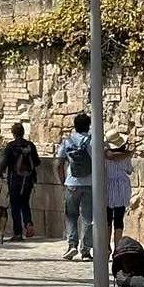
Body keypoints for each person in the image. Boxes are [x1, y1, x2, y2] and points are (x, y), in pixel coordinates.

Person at [57, 112, 96, 261]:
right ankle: (85, 250)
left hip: (71, 183)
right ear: (89, 125)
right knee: (88, 218)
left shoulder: (68, 141)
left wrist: (62, 180)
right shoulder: (92, 140)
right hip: (90, 183)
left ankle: (71, 245)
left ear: (75, 125)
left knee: (71, 216)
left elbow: (58, 163)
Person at [0, 121, 41, 240]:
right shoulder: (30, 145)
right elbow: (37, 162)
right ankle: (28, 223)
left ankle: (18, 233)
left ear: (13, 133)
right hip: (28, 180)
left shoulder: (11, 146)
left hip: (15, 181)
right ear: (23, 132)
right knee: (25, 203)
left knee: (15, 206)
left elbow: (4, 163)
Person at [106, 132, 134, 238]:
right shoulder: (125, 156)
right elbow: (129, 170)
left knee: (107, 218)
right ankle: (117, 247)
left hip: (108, 187)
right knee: (119, 218)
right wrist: (129, 153)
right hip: (122, 188)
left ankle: (106, 245)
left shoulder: (104, 156)